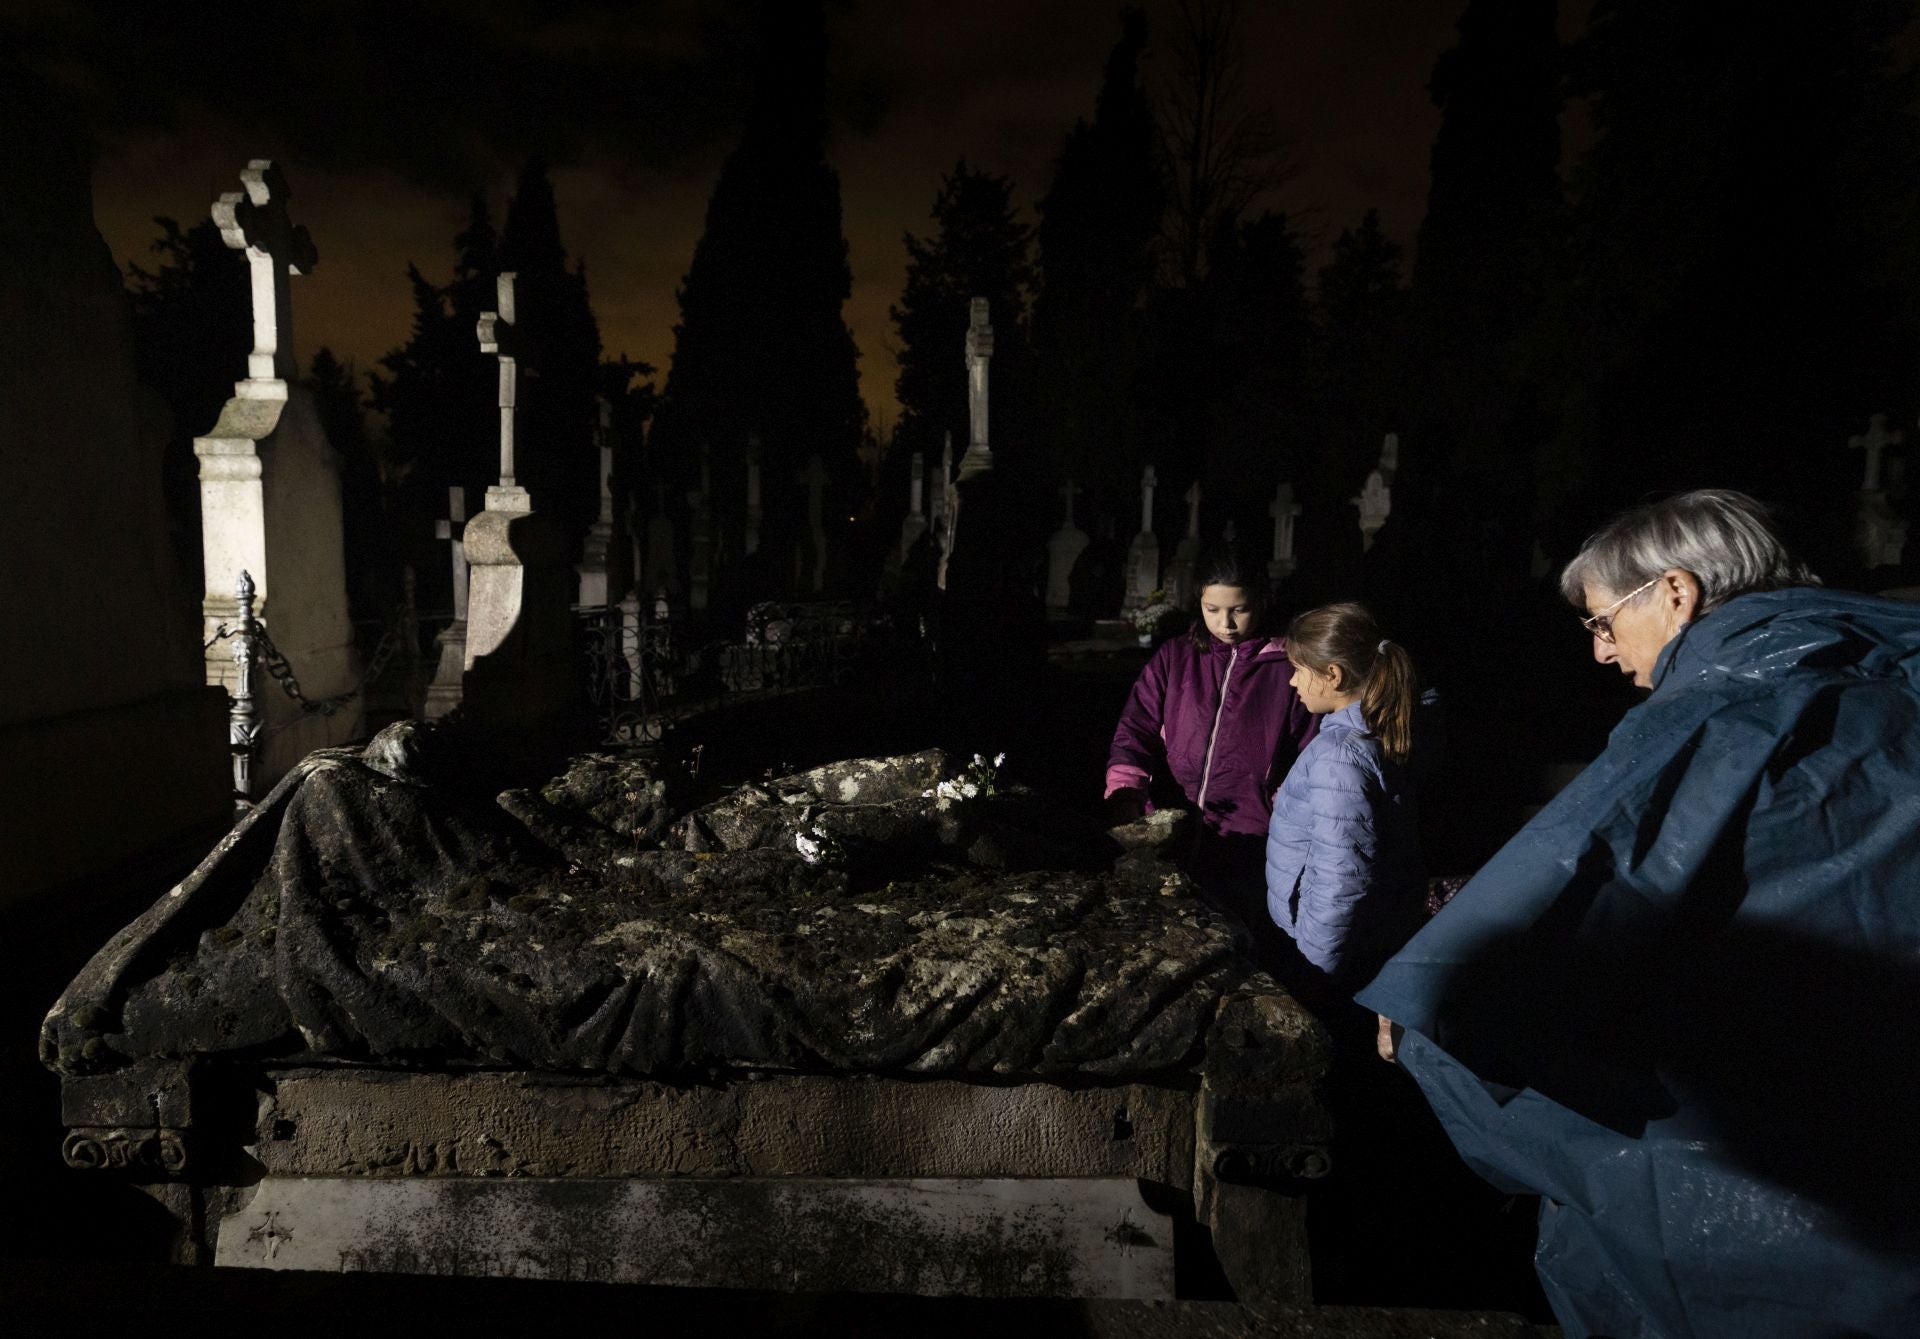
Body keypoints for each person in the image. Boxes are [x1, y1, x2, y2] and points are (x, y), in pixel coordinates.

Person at [1360, 490, 1920, 1338]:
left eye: (1601, 622)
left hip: (1768, 1208)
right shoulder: (1893, 688)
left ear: (1676, 593)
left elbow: (1563, 904)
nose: (1602, 652)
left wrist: (1427, 1021)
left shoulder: (1715, 716)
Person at [1106, 544, 1318, 920]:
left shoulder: (1290, 668)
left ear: (1264, 599)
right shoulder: (1175, 657)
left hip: (1254, 845)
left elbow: (1308, 751)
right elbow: (1135, 728)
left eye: (1239, 609)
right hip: (1172, 833)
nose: (1226, 624)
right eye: (1212, 610)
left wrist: (1288, 815)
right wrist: (1126, 791)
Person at [1264, 603, 1423, 996]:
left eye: (1299, 669)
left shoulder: (1338, 756)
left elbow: (1342, 875)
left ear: (1332, 675)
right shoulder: (1378, 730)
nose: (1292, 682)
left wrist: (1314, 971)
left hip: (1328, 953)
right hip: (1367, 940)